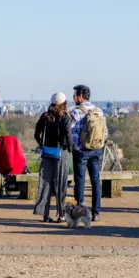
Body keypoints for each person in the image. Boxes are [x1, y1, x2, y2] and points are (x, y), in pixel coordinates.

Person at [33, 92, 74, 223]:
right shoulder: (65, 116)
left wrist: (42, 144)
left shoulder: (45, 116)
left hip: (47, 152)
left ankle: (44, 214)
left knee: (45, 183)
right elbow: (68, 135)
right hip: (61, 153)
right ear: (64, 103)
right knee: (60, 184)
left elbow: (36, 133)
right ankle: (61, 215)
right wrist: (70, 149)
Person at [70, 85, 108, 222]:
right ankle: (96, 212)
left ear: (81, 96)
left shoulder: (75, 112)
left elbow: (72, 134)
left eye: (74, 95)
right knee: (95, 181)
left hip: (81, 151)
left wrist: (75, 147)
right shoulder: (99, 111)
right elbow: (105, 132)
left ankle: (80, 212)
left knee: (79, 181)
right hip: (96, 150)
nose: (73, 98)